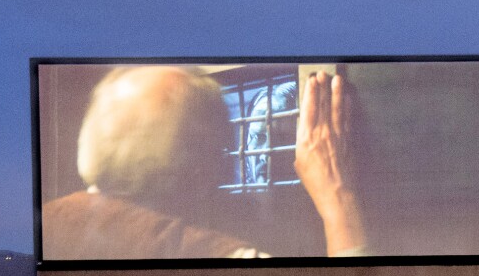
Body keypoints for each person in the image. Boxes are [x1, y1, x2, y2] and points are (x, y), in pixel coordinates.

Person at [41, 66, 367, 260]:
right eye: (253, 137)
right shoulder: (219, 255)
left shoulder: (47, 224)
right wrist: (339, 200)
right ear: (206, 167)